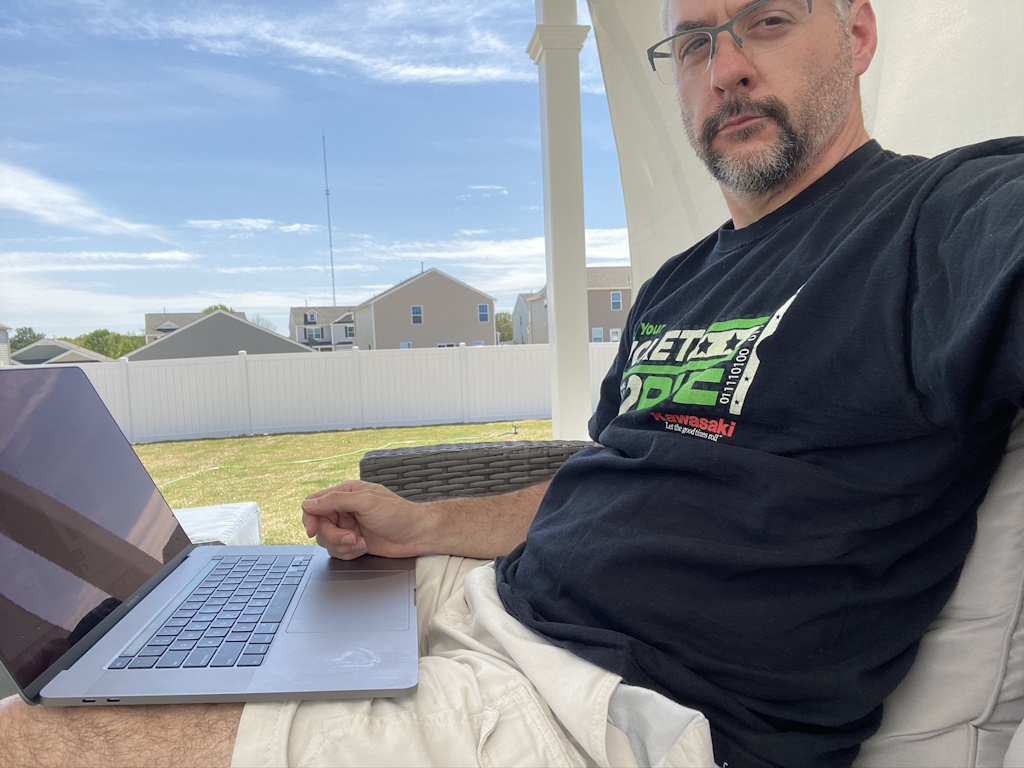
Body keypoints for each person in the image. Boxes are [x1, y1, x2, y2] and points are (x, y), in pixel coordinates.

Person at [3, 0, 1023, 766]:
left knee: (29, 741)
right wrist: (423, 526)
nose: (728, 69)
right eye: (696, 42)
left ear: (855, 32)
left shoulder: (936, 219)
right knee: (118, 655)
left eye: (765, 20)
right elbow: (608, 477)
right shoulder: (684, 277)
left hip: (616, 714)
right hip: (491, 604)